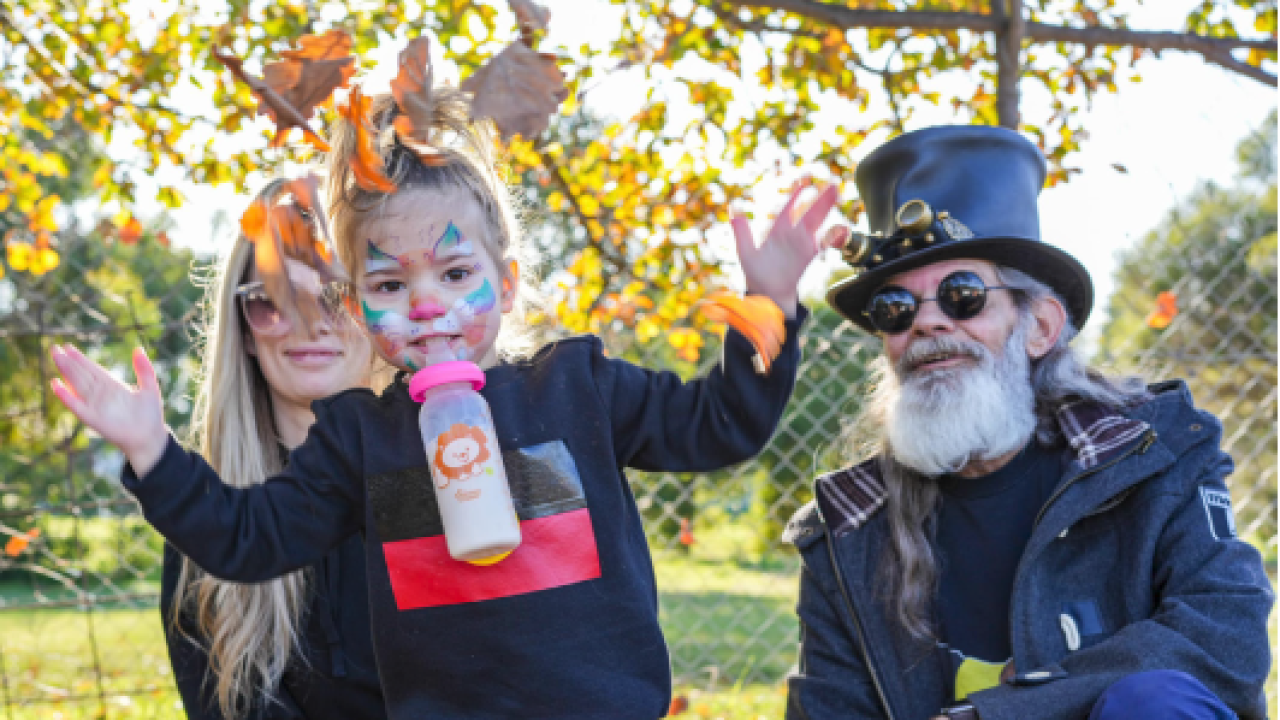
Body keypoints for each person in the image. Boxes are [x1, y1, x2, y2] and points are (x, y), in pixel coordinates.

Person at [49, 80, 844, 717]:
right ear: (359, 304)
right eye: (392, 283)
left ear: (507, 280)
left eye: (455, 274)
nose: (427, 302)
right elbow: (247, 539)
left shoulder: (579, 388)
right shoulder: (358, 439)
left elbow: (720, 427)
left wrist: (767, 308)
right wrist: (151, 450)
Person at [783, 125, 1272, 720]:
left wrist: (996, 714)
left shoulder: (1157, 453)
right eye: (896, 309)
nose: (928, 325)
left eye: (962, 295)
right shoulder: (848, 527)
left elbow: (1226, 643)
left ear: (1039, 326)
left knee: (1153, 701)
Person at [160, 180, 386, 720]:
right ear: (241, 329)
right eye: (274, 301)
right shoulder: (206, 517)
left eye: (337, 295)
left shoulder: (454, 470)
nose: (311, 322)